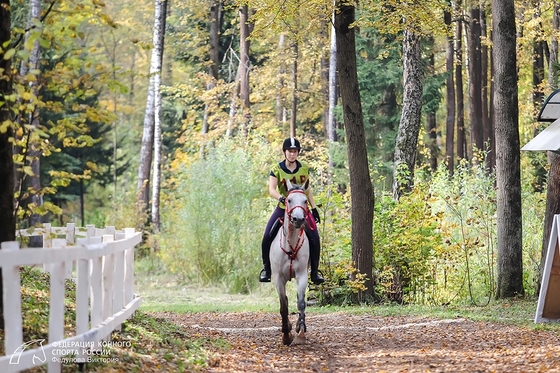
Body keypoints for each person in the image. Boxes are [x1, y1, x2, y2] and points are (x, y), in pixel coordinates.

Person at [259, 137, 325, 285]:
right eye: (289, 151)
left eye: (295, 151)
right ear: (285, 152)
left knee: (314, 237)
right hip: (283, 208)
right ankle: (267, 270)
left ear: (298, 153)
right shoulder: (276, 169)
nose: (292, 154)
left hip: (302, 210)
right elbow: (271, 189)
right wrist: (281, 198)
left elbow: (307, 189)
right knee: (267, 236)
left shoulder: (304, 168)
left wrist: (314, 208)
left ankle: (314, 271)